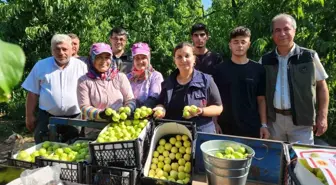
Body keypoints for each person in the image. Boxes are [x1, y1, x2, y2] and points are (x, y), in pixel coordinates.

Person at [260, 13, 329, 144]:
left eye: (286, 29)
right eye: (277, 30)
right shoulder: (265, 60)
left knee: (301, 162)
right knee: (276, 161)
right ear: (272, 34)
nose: (282, 33)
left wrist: (322, 116)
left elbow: (322, 87)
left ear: (294, 31)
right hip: (274, 122)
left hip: (302, 122)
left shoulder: (309, 57)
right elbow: (260, 94)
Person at [22, 34, 88, 144]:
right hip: (47, 118)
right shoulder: (41, 66)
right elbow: (32, 92)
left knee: (72, 151)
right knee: (43, 149)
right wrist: (29, 116)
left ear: (72, 49)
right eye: (57, 49)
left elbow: (87, 92)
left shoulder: (81, 67)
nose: (61, 53)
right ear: (52, 50)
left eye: (64, 49)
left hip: (74, 118)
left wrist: (86, 115)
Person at [214, 27, 270, 139]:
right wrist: (214, 123)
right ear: (230, 44)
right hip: (225, 127)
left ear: (248, 44)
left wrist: (264, 125)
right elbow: (214, 99)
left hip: (252, 127)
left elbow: (261, 99)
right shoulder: (219, 70)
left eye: (243, 42)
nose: (239, 45)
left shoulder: (258, 69)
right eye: (236, 42)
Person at [153, 42, 223, 133]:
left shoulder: (207, 80)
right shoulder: (168, 82)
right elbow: (161, 103)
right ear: (175, 60)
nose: (183, 59)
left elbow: (218, 108)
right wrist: (160, 108)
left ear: (194, 59)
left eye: (187, 56)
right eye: (179, 57)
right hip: (174, 136)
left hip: (200, 134)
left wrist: (201, 111)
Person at [77, 43, 136, 138]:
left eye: (107, 57)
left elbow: (130, 99)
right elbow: (84, 107)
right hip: (95, 130)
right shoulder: (84, 81)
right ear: (92, 59)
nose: (103, 61)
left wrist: (128, 109)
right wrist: (101, 114)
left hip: (120, 129)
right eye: (99, 57)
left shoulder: (120, 77)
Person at [127, 42, 164, 108]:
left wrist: (142, 110)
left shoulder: (156, 76)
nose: (140, 61)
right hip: (128, 114)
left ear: (148, 59)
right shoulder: (128, 77)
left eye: (143, 58)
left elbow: (154, 97)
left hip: (148, 114)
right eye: (137, 58)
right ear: (133, 60)